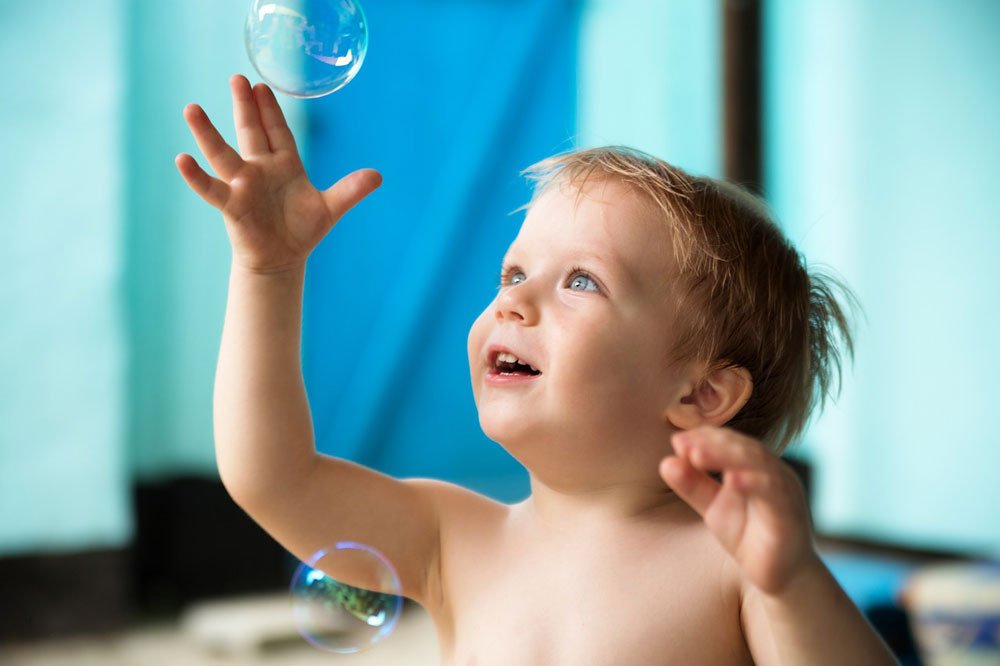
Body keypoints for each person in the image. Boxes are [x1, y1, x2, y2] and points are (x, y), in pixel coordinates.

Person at [176, 74, 898, 665]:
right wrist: (268, 274)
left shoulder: (732, 568)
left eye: (581, 280)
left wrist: (794, 582)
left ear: (702, 391)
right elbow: (274, 478)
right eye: (514, 271)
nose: (513, 300)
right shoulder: (453, 536)